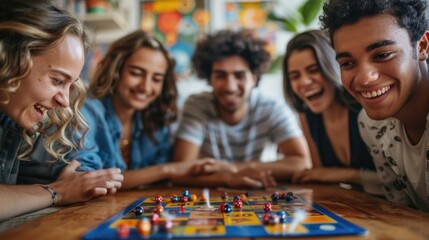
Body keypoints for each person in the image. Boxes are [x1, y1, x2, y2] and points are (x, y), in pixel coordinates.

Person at [54, 30, 227, 190]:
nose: (146, 87)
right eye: (136, 73)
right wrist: (167, 170)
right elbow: (86, 180)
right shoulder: (85, 110)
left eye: (157, 79)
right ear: (116, 70)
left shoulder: (154, 118)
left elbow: (161, 179)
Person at [0, 0, 123, 221]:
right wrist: (57, 192)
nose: (65, 101)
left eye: (70, 85)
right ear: (10, 58)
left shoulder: (15, 116)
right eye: (57, 80)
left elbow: (81, 163)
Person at [320, 0, 429, 211]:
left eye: (382, 55)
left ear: (423, 46)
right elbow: (402, 213)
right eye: (347, 63)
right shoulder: (371, 124)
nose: (364, 79)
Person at [173, 30, 312, 188]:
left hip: (261, 194)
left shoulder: (272, 108)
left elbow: (302, 164)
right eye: (220, 75)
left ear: (254, 78)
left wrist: (233, 168)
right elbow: (180, 170)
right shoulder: (197, 105)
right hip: (210, 200)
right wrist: (228, 178)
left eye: (239, 75)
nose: (230, 87)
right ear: (209, 78)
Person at [283, 29, 381, 194]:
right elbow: (319, 177)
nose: (304, 82)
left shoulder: (367, 105)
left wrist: (343, 175)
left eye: (313, 70)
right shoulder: (306, 117)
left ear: (334, 66)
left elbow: (398, 184)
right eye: (294, 76)